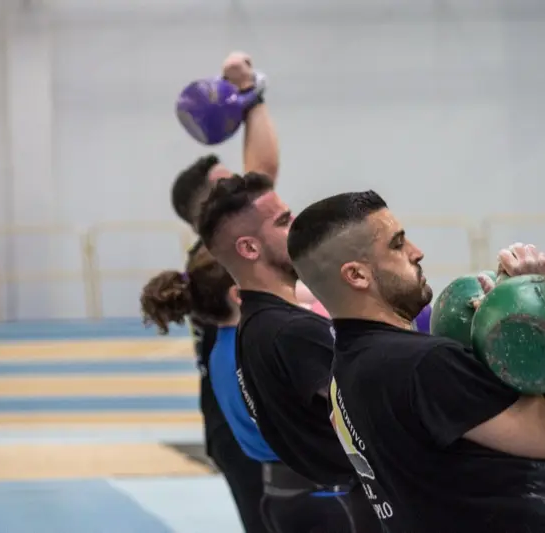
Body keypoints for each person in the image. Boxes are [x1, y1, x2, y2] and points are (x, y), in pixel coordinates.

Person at [286, 190, 545, 533]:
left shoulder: (345, 372)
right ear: (357, 275)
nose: (416, 252)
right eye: (397, 245)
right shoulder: (423, 364)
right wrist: (544, 313)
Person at [196, 173, 381, 533]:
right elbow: (375, 414)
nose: (297, 227)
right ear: (249, 248)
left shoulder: (251, 327)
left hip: (294, 498)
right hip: (332, 504)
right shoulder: (292, 332)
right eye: (283, 221)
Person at [168, 51, 279, 532]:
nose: (241, 186)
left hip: (241, 418)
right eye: (229, 184)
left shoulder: (215, 251)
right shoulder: (220, 254)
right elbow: (265, 175)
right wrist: (251, 94)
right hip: (242, 424)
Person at [140, 246, 280, 532]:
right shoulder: (242, 347)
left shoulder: (226, 341)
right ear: (236, 293)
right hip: (252, 451)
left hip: (239, 442)